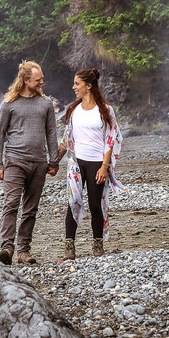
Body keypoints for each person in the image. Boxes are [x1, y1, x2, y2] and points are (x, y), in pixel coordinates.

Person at [0, 61, 60, 265]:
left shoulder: (46, 103)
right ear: (25, 80)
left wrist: (54, 160)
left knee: (31, 209)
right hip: (15, 161)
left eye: (41, 78)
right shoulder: (9, 103)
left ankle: (24, 252)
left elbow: (51, 133)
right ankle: (7, 247)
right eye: (38, 79)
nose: (42, 81)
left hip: (39, 162)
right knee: (11, 204)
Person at [58, 68, 124, 260]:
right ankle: (69, 246)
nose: (74, 87)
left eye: (77, 84)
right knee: (73, 203)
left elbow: (110, 140)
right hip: (77, 163)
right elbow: (66, 138)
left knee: (96, 205)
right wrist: (53, 162)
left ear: (89, 85)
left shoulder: (105, 110)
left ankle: (97, 244)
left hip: (96, 163)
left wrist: (105, 166)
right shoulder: (73, 109)